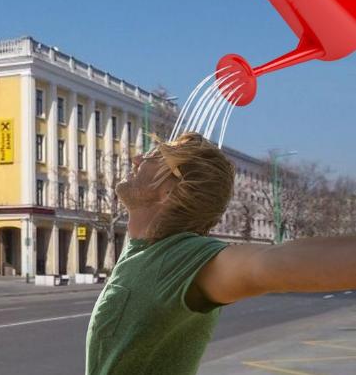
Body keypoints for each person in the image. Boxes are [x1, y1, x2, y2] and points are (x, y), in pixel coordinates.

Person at [85, 132, 356, 375]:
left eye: (154, 157)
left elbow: (268, 265)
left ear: (168, 191)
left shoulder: (182, 258)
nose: (136, 158)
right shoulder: (144, 248)